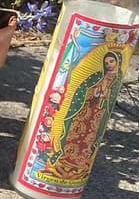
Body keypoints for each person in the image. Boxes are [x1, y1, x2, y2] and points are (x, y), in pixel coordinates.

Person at [40, 49, 124, 183]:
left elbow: (110, 98)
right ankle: (64, 159)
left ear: (118, 62)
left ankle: (79, 164)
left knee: (88, 139)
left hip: (98, 116)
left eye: (111, 61)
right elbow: (83, 89)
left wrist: (105, 96)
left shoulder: (117, 79)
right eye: (106, 62)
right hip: (84, 111)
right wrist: (94, 92)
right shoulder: (98, 76)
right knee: (73, 134)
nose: (109, 65)